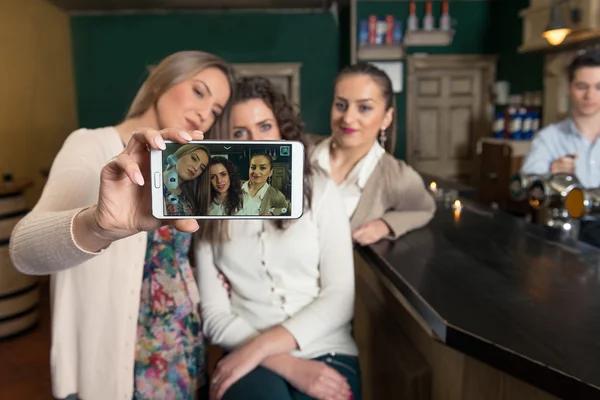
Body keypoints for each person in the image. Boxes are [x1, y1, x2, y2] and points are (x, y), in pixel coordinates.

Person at [8, 50, 234, 400]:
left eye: (217, 109)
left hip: (180, 342)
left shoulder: (186, 165)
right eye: (199, 91)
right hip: (116, 354)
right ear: (162, 81)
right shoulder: (91, 144)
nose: (206, 112)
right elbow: (23, 252)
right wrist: (98, 227)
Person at [196, 76, 359, 400]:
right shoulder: (208, 208)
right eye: (240, 132)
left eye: (265, 126)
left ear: (282, 129)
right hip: (247, 356)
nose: (255, 141)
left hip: (327, 347)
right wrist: (282, 363)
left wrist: (262, 348)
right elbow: (214, 316)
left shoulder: (322, 192)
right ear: (224, 140)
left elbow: (340, 296)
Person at [311, 62, 435, 246]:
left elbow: (424, 209)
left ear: (386, 118)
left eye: (364, 108)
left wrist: (385, 224)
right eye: (341, 105)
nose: (348, 118)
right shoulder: (300, 151)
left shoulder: (395, 176)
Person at [520, 51, 600, 246]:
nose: (590, 95)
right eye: (582, 86)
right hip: (567, 234)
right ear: (568, 88)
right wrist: (551, 176)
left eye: (598, 87)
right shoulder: (548, 138)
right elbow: (526, 186)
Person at [163, 144, 211, 216]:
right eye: (194, 158)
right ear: (181, 154)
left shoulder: (191, 197)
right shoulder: (150, 183)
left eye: (202, 168)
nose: (196, 168)